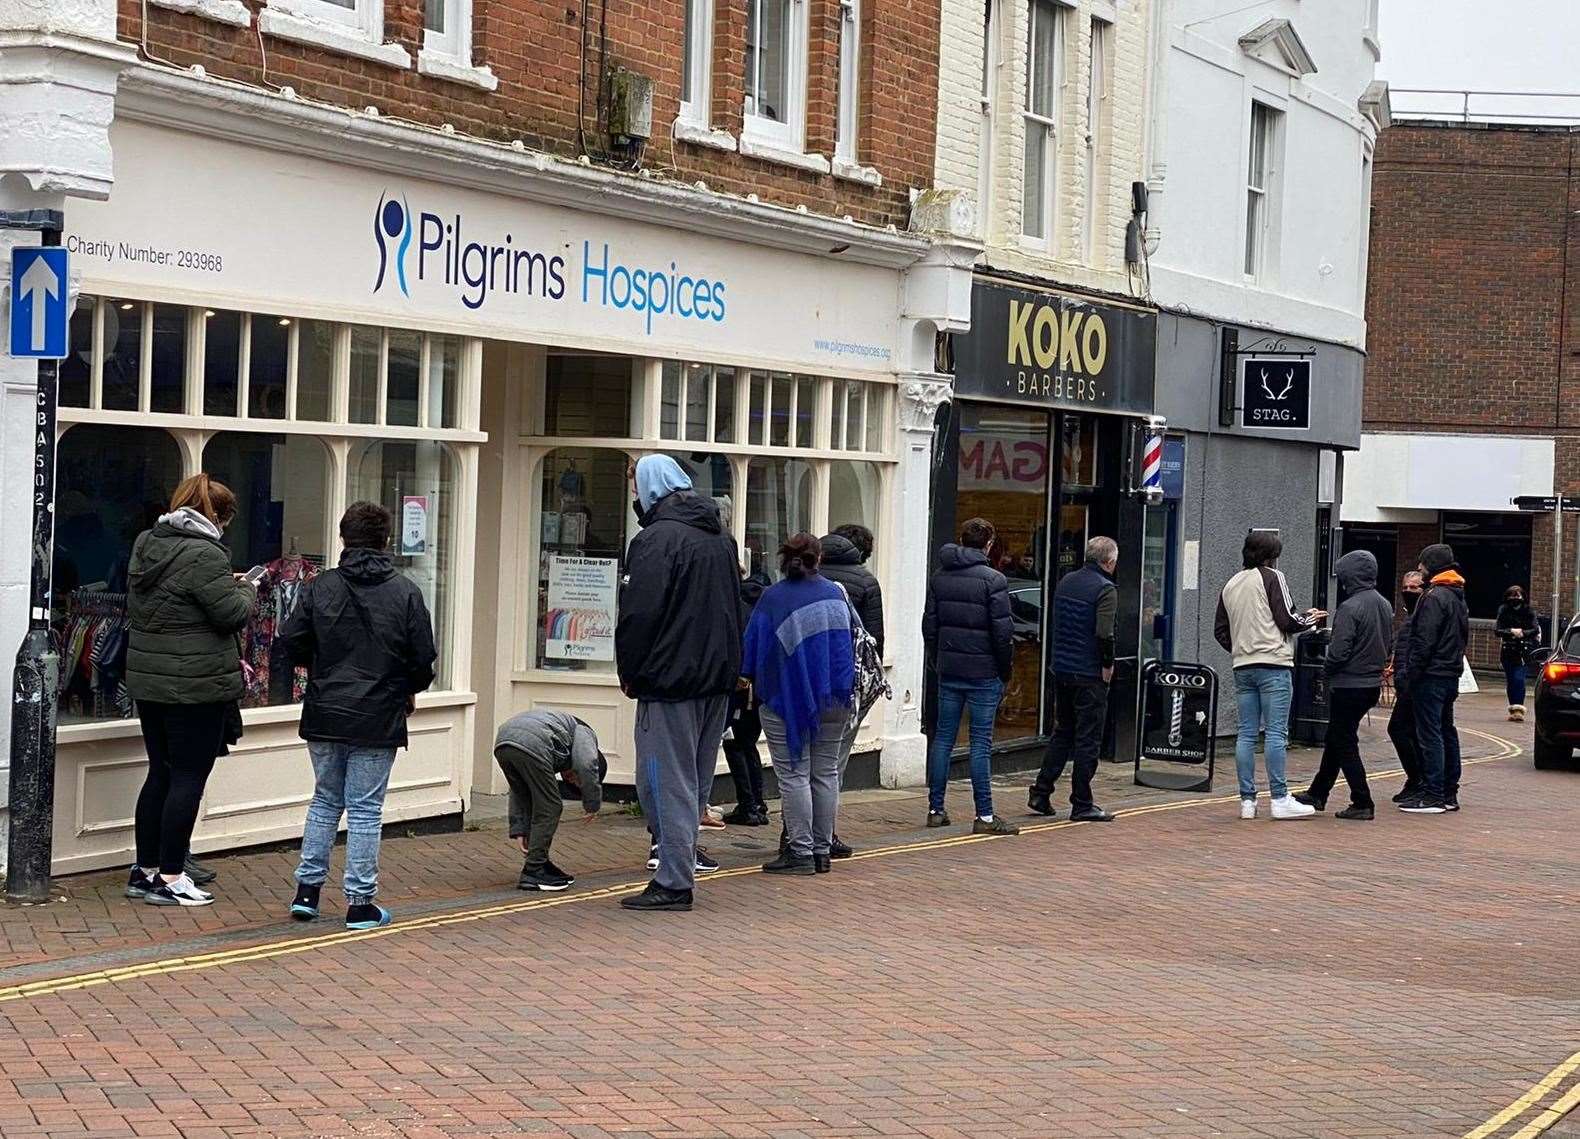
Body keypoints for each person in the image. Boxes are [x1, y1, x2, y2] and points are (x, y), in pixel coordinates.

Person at [282, 501, 437, 929]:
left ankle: (307, 893)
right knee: (365, 810)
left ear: (343, 538)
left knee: (325, 799)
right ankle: (359, 902)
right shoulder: (405, 591)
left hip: (327, 706)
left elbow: (291, 639)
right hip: (379, 710)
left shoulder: (319, 587)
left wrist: (317, 671)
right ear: (385, 540)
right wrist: (406, 688)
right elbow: (422, 657)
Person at [616, 454, 743, 913]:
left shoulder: (655, 540)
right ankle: (680, 867)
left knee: (661, 784)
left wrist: (629, 671)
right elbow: (734, 606)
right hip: (716, 678)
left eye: (635, 485)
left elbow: (639, 615)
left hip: (668, 678)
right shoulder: (720, 539)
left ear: (650, 487)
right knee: (694, 780)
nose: (633, 495)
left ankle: (673, 880)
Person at [125, 474, 256, 907]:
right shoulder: (205, 553)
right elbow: (231, 614)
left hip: (149, 679)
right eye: (227, 518)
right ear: (217, 515)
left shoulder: (148, 542)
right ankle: (172, 876)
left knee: (159, 772)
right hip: (195, 684)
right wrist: (247, 588)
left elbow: (174, 600)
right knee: (187, 777)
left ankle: (144, 871)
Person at [742, 534, 856, 876]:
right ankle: (822, 851)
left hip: (787, 699)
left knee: (793, 775)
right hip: (835, 696)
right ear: (817, 559)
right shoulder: (836, 593)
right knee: (825, 773)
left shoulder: (773, 598)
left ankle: (801, 851)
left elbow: (753, 650)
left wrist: (748, 679)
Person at [1214, 530, 1325, 820]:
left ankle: (1247, 802)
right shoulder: (1273, 577)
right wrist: (1310, 619)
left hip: (1243, 666)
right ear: (1271, 556)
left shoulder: (1230, 584)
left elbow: (1220, 631)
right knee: (1276, 733)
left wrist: (1241, 647)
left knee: (1246, 733)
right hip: (1274, 663)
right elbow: (1286, 619)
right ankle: (1279, 798)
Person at [922, 518, 1019, 835]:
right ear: (988, 544)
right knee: (979, 743)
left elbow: (930, 627)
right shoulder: (994, 580)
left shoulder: (940, 576)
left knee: (944, 739)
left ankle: (936, 809)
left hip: (950, 668)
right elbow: (1003, 633)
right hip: (984, 672)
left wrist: (939, 661)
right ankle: (985, 817)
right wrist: (1004, 671)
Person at [1295, 550, 1394, 820]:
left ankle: (1362, 801)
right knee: (1336, 738)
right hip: (1370, 682)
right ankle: (1318, 792)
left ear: (1350, 576)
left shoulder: (1350, 608)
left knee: (1344, 741)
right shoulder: (1384, 604)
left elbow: (1338, 652)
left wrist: (1326, 673)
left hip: (1349, 684)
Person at [1029, 536, 1119, 823]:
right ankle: (1082, 802)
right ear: (1108, 562)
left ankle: (1040, 792)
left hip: (1062, 669)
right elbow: (1104, 633)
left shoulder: (1067, 581)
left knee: (1063, 732)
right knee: (1087, 739)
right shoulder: (1105, 589)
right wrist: (1107, 664)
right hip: (1088, 673)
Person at [817, 523, 885, 857]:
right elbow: (874, 641)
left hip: (806, 680)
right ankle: (824, 834)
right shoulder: (866, 582)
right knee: (833, 764)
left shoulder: (807, 574)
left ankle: (795, 832)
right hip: (845, 686)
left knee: (800, 765)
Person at [493, 710, 606, 891]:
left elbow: (519, 791)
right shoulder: (585, 732)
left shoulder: (560, 741)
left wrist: (519, 828)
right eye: (574, 779)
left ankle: (541, 862)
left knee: (534, 796)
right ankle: (534, 869)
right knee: (551, 806)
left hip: (504, 740)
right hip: (533, 741)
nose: (569, 778)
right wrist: (592, 803)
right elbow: (587, 764)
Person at [1400, 543, 1469, 815]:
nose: (1419, 568)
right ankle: (1449, 792)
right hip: (1450, 673)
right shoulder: (1457, 594)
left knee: (1430, 734)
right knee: (1446, 731)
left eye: (1423, 564)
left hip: (1431, 675)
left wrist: (1410, 675)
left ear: (1433, 565)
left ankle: (1433, 794)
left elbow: (1423, 641)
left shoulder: (1434, 596)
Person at [721, 563, 771, 826]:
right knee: (748, 743)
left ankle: (748, 806)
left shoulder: (733, 606)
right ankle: (758, 804)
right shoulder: (763, 607)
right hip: (760, 686)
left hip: (739, 685)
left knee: (735, 744)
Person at [1387, 570, 1425, 802]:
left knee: (1399, 729)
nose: (1408, 591)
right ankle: (1416, 780)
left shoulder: (1422, 615)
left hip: (1413, 683)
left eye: (1414, 587)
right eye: (1406, 587)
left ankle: (1417, 779)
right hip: (1404, 682)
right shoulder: (1411, 615)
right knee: (1407, 731)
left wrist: (1404, 676)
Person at [1494, 585, 1540, 722]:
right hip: (1508, 650)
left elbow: (1535, 629)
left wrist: (1522, 633)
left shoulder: (1529, 611)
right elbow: (1497, 629)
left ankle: (1519, 709)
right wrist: (1511, 632)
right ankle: (1513, 708)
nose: (1515, 598)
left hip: (1523, 651)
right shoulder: (1503, 610)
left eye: (1518, 596)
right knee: (1511, 680)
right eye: (1512, 596)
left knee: (1519, 678)